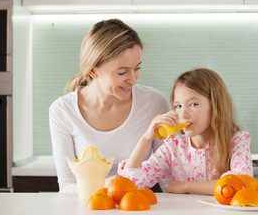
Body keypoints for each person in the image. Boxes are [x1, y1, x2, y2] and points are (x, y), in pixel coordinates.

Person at [49, 19, 169, 193]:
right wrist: (108, 187)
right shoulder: (62, 111)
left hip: (137, 206)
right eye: (122, 72)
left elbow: (166, 176)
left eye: (137, 68)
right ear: (93, 70)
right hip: (91, 207)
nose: (133, 79)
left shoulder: (154, 102)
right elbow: (67, 186)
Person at [118, 68, 253, 195]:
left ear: (215, 106)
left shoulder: (237, 141)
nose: (183, 114)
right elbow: (129, 183)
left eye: (193, 104)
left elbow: (240, 183)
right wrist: (146, 139)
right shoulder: (173, 147)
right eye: (178, 106)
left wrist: (184, 187)